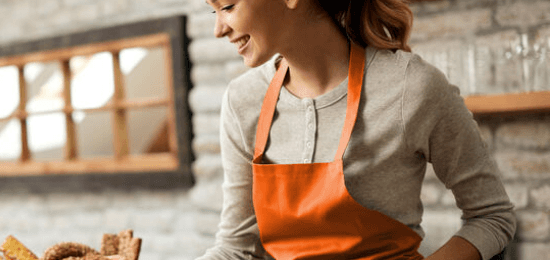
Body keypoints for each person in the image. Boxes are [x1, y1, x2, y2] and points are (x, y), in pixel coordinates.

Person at [198, 0, 515, 259]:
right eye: (213, 11)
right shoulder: (243, 100)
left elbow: (492, 216)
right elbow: (235, 249)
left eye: (227, 7)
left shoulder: (410, 88)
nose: (218, 29)